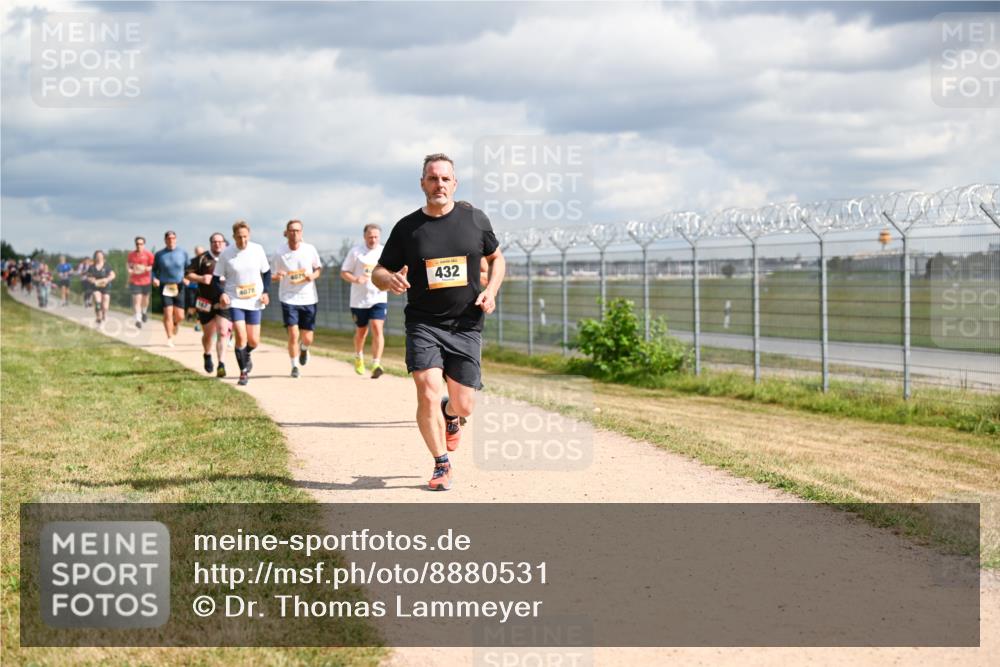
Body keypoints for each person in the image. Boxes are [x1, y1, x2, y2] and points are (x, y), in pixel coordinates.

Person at [373, 153, 506, 491]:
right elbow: (379, 271)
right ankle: (440, 464)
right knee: (427, 391)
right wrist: (387, 280)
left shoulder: (474, 219)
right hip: (424, 323)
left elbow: (497, 258)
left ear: (455, 183)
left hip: (465, 324)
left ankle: (452, 415)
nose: (439, 184)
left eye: (445, 178)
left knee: (465, 405)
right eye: (432, 178)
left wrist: (491, 290)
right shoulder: (407, 228)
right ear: (422, 184)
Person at [214, 220, 271, 386]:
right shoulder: (226, 253)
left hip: (254, 300)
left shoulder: (257, 250)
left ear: (249, 235)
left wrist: (266, 292)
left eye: (245, 237)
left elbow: (267, 273)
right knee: (240, 336)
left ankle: (246, 353)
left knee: (253, 341)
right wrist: (222, 294)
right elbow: (216, 278)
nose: (243, 241)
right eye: (239, 237)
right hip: (235, 300)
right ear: (233, 237)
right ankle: (243, 372)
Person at [271, 219, 322, 378]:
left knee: (307, 338)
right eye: (291, 230)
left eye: (298, 230)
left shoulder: (309, 249)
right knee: (293, 335)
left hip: (308, 298)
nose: (295, 233)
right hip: (288, 298)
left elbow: (318, 269)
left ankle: (304, 350)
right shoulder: (279, 252)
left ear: (302, 233)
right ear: (286, 233)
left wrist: (311, 276)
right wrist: (277, 276)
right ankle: (294, 366)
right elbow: (271, 276)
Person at [340, 223, 389, 378]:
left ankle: (376, 363)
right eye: (370, 237)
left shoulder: (384, 251)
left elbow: (391, 270)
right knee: (361, 332)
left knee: (377, 327)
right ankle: (358, 356)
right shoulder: (356, 252)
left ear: (379, 237)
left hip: (378, 296)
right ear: (364, 237)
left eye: (375, 237)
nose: (372, 239)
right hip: (359, 300)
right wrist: (355, 278)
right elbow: (344, 272)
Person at [186, 233, 233, 376]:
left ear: (225, 243)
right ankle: (207, 354)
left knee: (223, 332)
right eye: (214, 242)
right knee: (208, 334)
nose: (217, 244)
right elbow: (187, 274)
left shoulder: (231, 258)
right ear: (210, 243)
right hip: (204, 301)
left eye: (220, 242)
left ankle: (221, 364)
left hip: (224, 301)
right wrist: (201, 278)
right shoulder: (201, 259)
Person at [152, 230, 189, 347]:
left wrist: (187, 278)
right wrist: (155, 279)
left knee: (180, 315)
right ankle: (169, 338)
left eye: (173, 238)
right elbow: (153, 270)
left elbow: (189, 268)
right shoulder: (159, 254)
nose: (171, 240)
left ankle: (175, 323)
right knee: (168, 313)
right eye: (169, 238)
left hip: (179, 285)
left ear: (176, 239)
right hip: (165, 286)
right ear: (165, 240)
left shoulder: (183, 252)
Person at [126, 236, 155, 328]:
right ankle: (138, 319)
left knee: (145, 300)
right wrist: (129, 270)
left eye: (141, 244)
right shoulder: (131, 255)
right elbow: (128, 265)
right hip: (135, 281)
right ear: (135, 244)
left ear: (144, 244)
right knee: (137, 300)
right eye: (137, 244)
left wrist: (146, 268)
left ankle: (144, 312)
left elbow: (153, 265)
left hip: (146, 280)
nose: (139, 245)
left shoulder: (149, 254)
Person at [87, 250, 116, 326]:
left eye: (100, 255)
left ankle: (104, 314)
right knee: (97, 300)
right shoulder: (92, 267)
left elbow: (113, 275)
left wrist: (107, 279)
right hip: (96, 287)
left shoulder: (107, 266)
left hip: (105, 287)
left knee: (105, 303)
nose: (99, 257)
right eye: (97, 256)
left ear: (103, 256)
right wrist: (92, 280)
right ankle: (98, 317)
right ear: (95, 257)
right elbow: (89, 277)